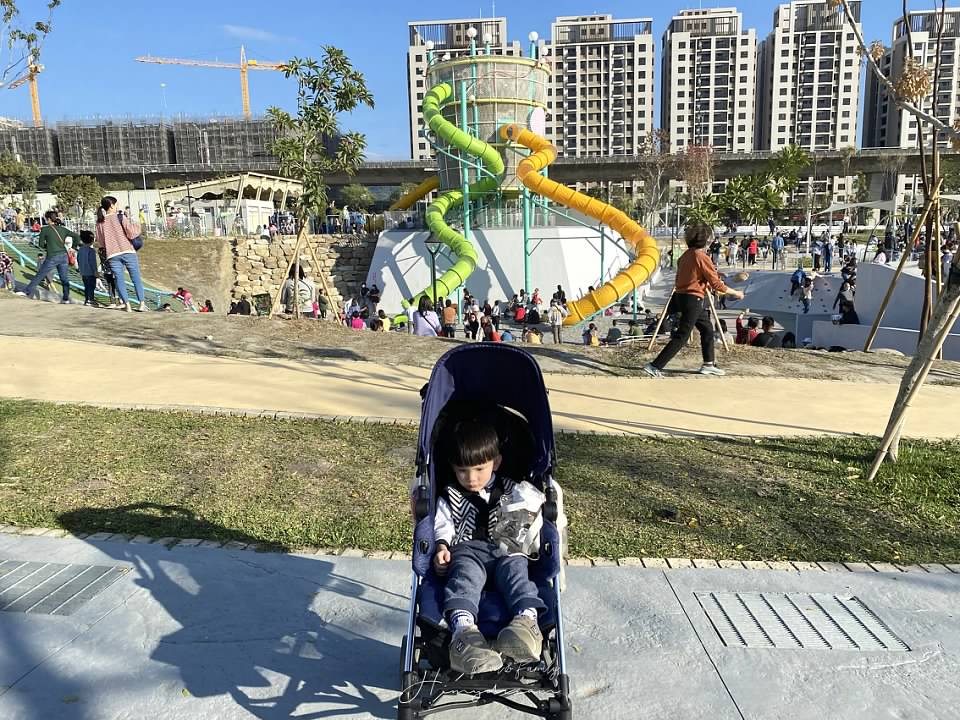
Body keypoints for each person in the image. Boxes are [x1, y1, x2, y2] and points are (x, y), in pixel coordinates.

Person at [429, 418, 547, 674]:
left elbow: (531, 514)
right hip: (466, 549)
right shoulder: (449, 495)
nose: (471, 478)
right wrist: (441, 547)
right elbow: (443, 525)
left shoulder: (513, 489)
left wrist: (532, 508)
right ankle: (464, 634)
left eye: (479, 469)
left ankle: (525, 624)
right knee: (464, 577)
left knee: (517, 570)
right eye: (462, 471)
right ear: (453, 468)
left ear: (496, 463)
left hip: (505, 547)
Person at [643, 225, 745, 378]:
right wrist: (736, 293)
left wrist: (713, 275)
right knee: (682, 335)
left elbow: (691, 275)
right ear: (705, 241)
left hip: (681, 296)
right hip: (694, 298)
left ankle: (708, 364)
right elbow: (717, 284)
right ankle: (655, 365)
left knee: (707, 329)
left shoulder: (685, 256)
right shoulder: (702, 256)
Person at [92, 197, 146, 312]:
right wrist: (138, 224)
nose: (117, 206)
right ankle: (141, 304)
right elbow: (131, 233)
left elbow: (101, 242)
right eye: (116, 204)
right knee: (135, 278)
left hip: (112, 254)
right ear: (111, 206)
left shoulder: (99, 222)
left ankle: (127, 305)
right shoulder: (120, 216)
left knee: (119, 279)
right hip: (128, 251)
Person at [18, 210, 78, 304]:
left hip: (52, 256)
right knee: (64, 278)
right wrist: (73, 248)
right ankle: (65, 298)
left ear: (49, 219)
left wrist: (48, 246)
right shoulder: (63, 229)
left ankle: (26, 291)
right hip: (63, 256)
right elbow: (76, 236)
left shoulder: (45, 229)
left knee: (40, 274)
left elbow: (41, 245)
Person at [77, 231, 99, 306]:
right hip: (90, 272)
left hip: (83, 272)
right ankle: (90, 299)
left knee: (86, 286)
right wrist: (95, 271)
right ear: (92, 240)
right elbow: (92, 262)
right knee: (91, 286)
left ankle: (87, 299)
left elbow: (78, 260)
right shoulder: (91, 250)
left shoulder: (80, 250)